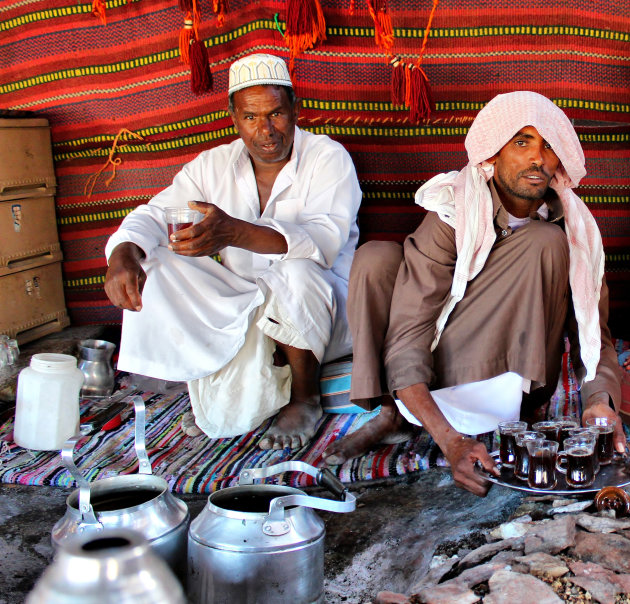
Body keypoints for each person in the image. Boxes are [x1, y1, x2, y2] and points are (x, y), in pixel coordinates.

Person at [322, 91, 623, 496]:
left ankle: (524, 421)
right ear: (493, 154)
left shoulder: (573, 231)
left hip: (511, 385)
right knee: (376, 259)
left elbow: (594, 337)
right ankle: (396, 413)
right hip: (434, 372)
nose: (537, 158)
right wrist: (450, 441)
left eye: (548, 146)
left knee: (544, 241)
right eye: (521, 142)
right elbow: (410, 333)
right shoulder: (452, 212)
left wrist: (599, 401)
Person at [104, 53, 362, 449]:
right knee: (153, 259)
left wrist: (235, 232)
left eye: (276, 114)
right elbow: (155, 214)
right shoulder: (213, 165)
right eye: (251, 117)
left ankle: (305, 397)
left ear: (295, 108)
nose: (266, 131)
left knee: (294, 272)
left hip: (322, 312)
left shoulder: (327, 158)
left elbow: (322, 242)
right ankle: (213, 372)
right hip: (246, 309)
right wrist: (123, 252)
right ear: (233, 116)